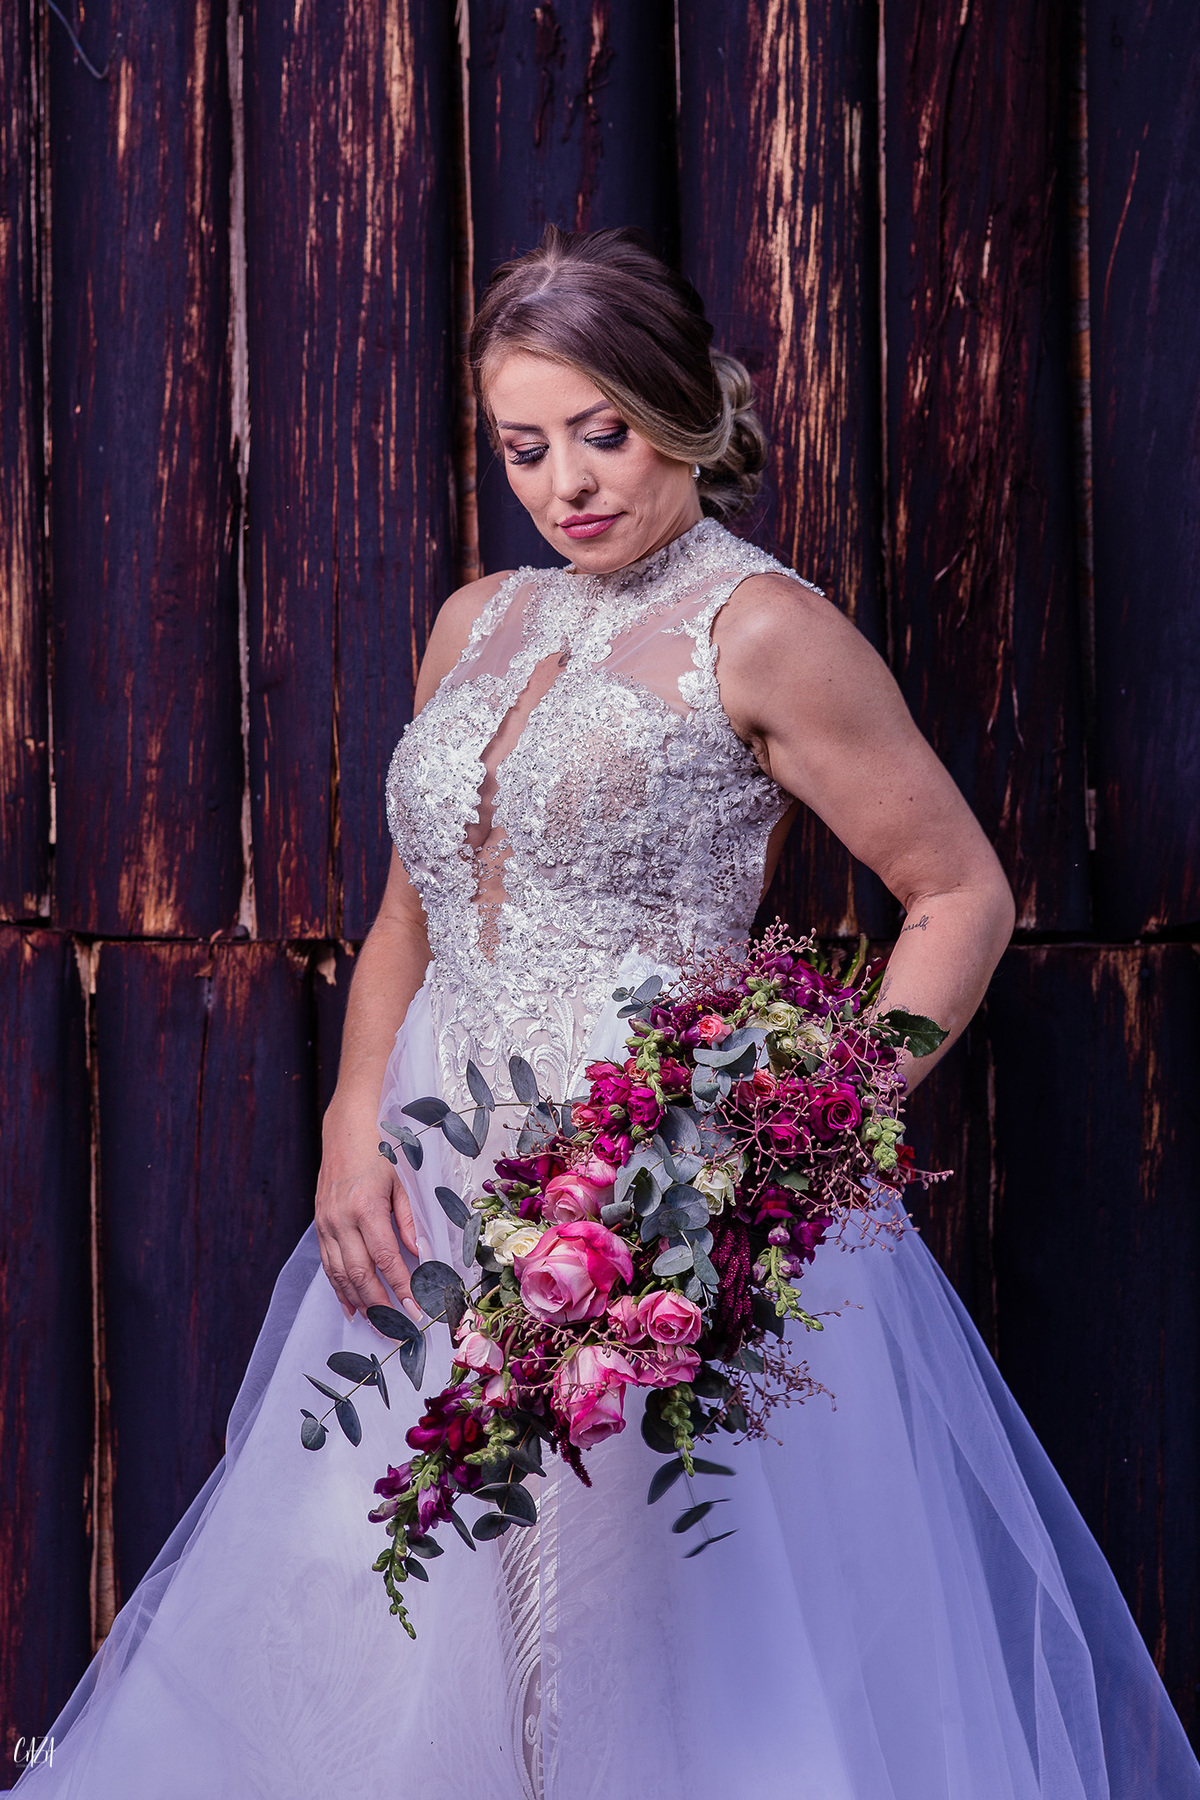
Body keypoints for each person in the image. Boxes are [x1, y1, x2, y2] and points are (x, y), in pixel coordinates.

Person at [20, 226, 1199, 1799]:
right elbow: (409, 916)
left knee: (639, 1614)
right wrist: (353, 1117)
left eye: (606, 433)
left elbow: (960, 895)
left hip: (647, 1184)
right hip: (436, 1176)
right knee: (393, 1586)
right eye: (526, 447)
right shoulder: (477, 618)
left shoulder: (761, 629)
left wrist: (792, 1143)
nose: (567, 483)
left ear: (685, 415)